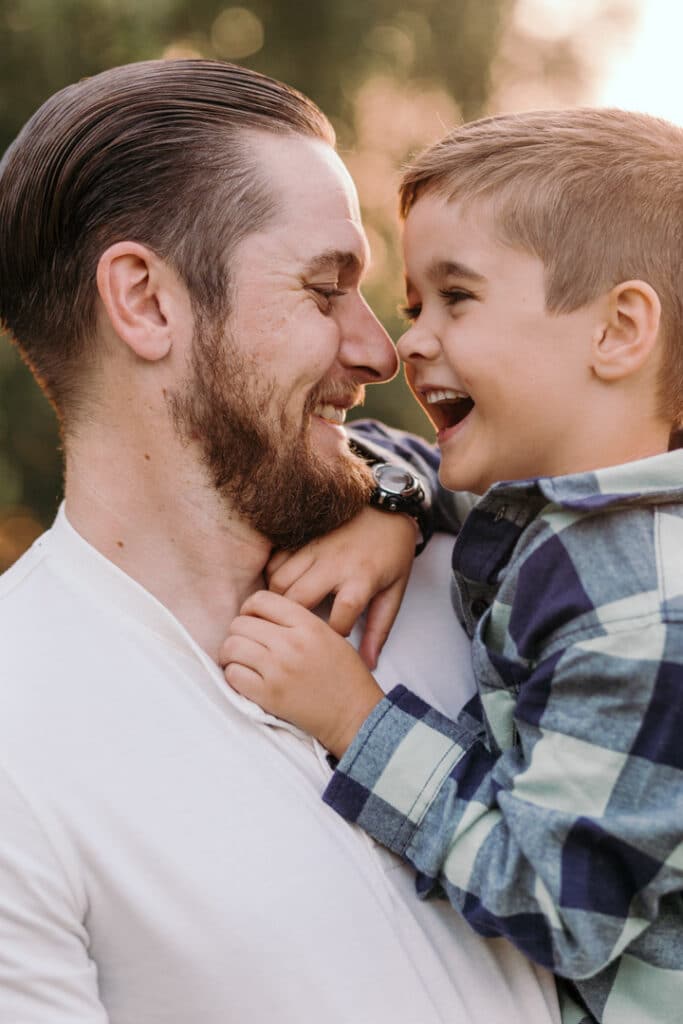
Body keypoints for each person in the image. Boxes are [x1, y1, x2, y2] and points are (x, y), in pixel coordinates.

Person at [0, 61, 561, 1023]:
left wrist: (400, 494)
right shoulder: (19, 738)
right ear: (144, 301)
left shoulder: (501, 578)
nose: (381, 353)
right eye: (324, 289)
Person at [221, 108, 683, 1024]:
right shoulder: (548, 504)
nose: (407, 345)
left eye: (456, 297)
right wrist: (393, 506)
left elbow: (557, 904)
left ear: (618, 330)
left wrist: (357, 723)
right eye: (413, 308)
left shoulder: (646, 616)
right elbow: (408, 453)